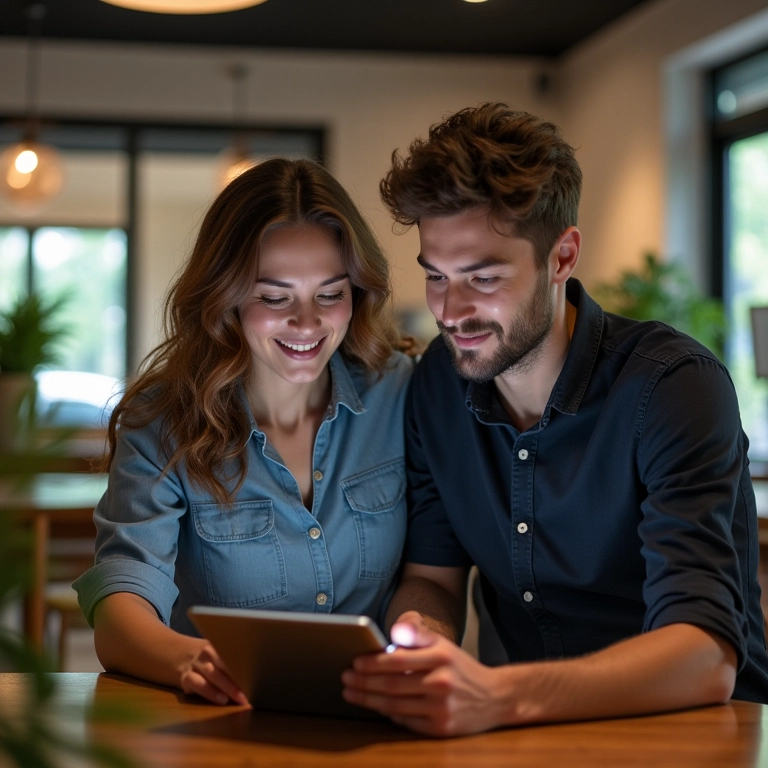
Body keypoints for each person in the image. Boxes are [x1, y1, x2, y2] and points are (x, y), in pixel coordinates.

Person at [341, 103, 768, 735]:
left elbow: (704, 657)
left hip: (694, 735)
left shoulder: (673, 387)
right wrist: (416, 637)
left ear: (561, 258)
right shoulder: (438, 382)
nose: (451, 311)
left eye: (483, 278)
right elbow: (433, 577)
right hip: (522, 734)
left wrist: (499, 696)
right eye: (437, 277)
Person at [74, 157, 413, 705]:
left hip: (372, 719)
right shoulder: (162, 420)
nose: (307, 322)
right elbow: (120, 606)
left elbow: (432, 570)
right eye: (274, 298)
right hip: (222, 719)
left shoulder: (398, 392)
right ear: (225, 296)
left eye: (331, 294)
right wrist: (191, 661)